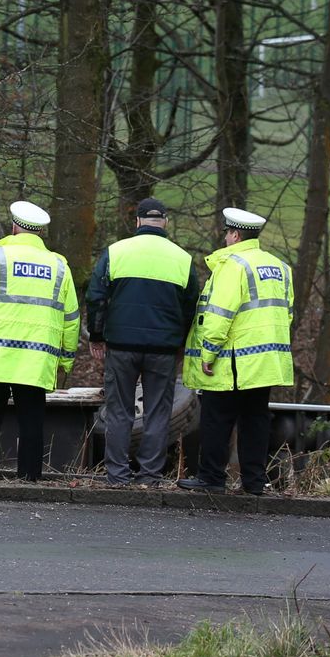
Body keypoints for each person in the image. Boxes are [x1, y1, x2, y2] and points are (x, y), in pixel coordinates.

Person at [0, 200, 79, 482]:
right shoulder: (59, 266)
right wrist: (65, 359)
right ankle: (29, 479)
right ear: (41, 233)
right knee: (32, 422)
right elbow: (71, 318)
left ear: (14, 227)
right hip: (36, 360)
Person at [177, 208, 294, 496]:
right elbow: (287, 313)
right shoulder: (280, 266)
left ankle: (211, 478)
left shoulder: (232, 266)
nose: (226, 238)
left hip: (234, 360)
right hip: (266, 360)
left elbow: (220, 314)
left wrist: (208, 352)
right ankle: (254, 482)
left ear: (235, 234)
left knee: (217, 417)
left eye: (228, 233)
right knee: (255, 419)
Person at [85, 197, 201, 486]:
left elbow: (96, 298)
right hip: (163, 349)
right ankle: (149, 476)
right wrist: (180, 344)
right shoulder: (182, 259)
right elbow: (191, 308)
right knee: (158, 412)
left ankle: (117, 475)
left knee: (119, 410)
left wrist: (97, 336)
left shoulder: (116, 252)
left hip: (122, 346)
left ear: (137, 221)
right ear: (165, 223)